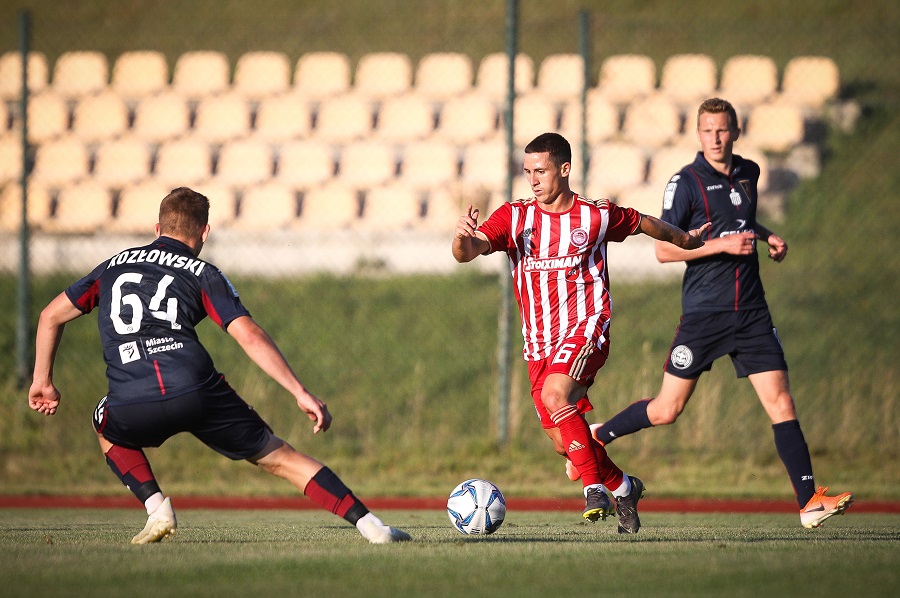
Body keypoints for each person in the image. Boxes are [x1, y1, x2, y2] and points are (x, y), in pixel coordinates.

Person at [28, 187, 410, 545]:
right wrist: (299, 391)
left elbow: (50, 316)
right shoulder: (202, 273)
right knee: (279, 457)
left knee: (103, 421)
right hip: (195, 386)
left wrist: (43, 380)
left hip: (131, 396)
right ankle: (371, 527)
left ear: (157, 228)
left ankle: (156, 507)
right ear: (205, 232)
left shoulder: (111, 266)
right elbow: (249, 335)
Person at [591, 98, 853, 529]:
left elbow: (741, 221)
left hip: (752, 313)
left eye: (722, 129)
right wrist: (721, 247)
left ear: (736, 131)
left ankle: (809, 502)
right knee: (667, 410)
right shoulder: (686, 182)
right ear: (699, 134)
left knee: (781, 401)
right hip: (704, 314)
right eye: (707, 130)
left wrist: (767, 237)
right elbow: (663, 249)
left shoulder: (750, 172)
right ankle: (600, 436)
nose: (715, 137)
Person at [452, 132, 708, 534]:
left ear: (565, 169)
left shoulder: (595, 215)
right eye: (527, 172)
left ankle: (593, 490)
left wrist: (686, 239)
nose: (533, 180)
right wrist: (462, 238)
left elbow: (644, 223)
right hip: (538, 343)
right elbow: (468, 253)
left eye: (541, 171)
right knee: (563, 441)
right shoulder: (514, 217)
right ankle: (624, 487)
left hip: (587, 325)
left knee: (557, 396)